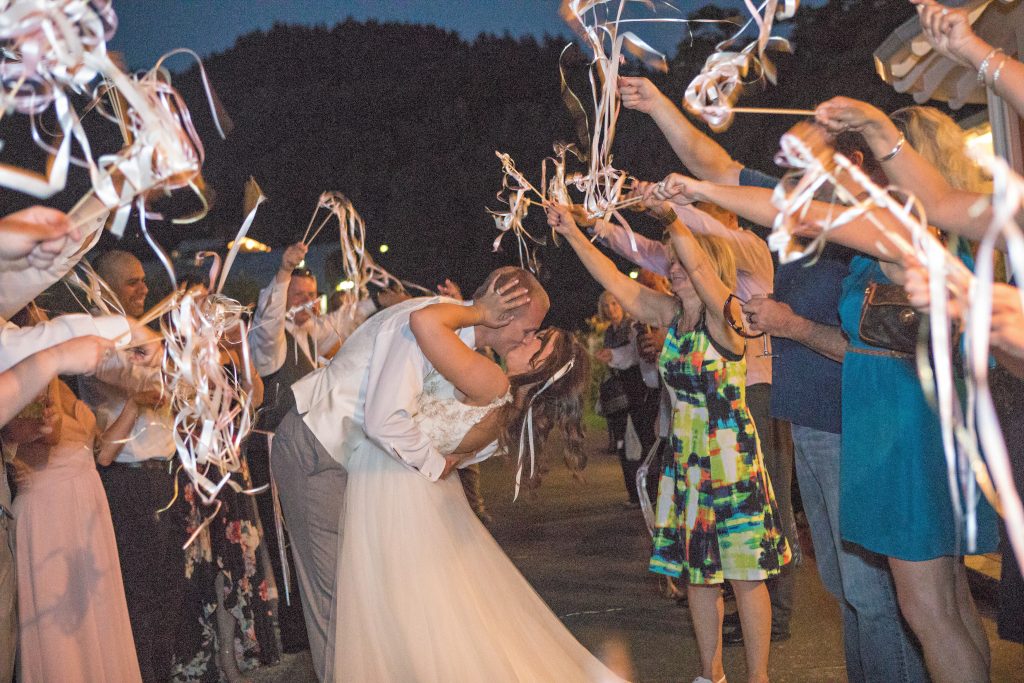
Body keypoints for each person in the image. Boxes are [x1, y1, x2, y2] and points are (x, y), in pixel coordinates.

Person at [619, 74, 927, 682]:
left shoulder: (874, 231)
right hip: (810, 421)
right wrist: (657, 105)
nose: (790, 160)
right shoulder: (793, 207)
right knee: (846, 591)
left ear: (856, 159)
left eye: (810, 150)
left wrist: (791, 326)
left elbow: (891, 352)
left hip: (860, 425)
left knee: (878, 596)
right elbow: (718, 163)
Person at [326, 282, 622, 682]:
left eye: (539, 341)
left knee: (398, 610)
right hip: (410, 486)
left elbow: (424, 322)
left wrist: (473, 310)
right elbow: (453, 444)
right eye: (534, 331)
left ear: (541, 371)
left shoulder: (494, 384)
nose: (530, 335)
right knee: (417, 613)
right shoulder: (505, 412)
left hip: (397, 487)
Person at [549, 203, 789, 683]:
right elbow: (618, 283)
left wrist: (672, 221)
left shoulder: (728, 317)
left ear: (710, 268)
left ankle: (758, 677)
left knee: (745, 575)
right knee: (699, 576)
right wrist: (573, 233)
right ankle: (711, 674)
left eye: (684, 261)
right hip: (688, 463)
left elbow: (698, 266)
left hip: (731, 461)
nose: (674, 268)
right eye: (673, 262)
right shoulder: (670, 315)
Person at [271, 265, 549, 679]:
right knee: (337, 606)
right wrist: (438, 467)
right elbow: (384, 419)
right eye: (529, 328)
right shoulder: (426, 322)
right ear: (503, 311)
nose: (528, 338)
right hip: (319, 449)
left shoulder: (459, 341)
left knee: (366, 601)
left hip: (356, 465)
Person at [246, 241, 371, 653]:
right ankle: (297, 630)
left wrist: (371, 285)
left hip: (316, 455)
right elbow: (267, 324)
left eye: (310, 296)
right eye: (297, 297)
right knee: (283, 542)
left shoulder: (308, 334)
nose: (307, 304)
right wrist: (282, 273)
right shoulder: (272, 342)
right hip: (276, 454)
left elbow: (350, 319)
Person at [3, 319, 142, 682]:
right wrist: (40, 423)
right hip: (50, 514)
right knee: (62, 632)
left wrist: (136, 401)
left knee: (97, 622)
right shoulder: (22, 378)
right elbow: (37, 436)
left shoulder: (58, 382)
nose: (44, 319)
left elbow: (103, 453)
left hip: (86, 507)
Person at [80, 249, 187, 683]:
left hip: (164, 477)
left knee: (169, 592)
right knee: (140, 597)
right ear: (106, 288)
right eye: (132, 282)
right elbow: (142, 388)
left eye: (144, 280)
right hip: (126, 481)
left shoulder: (145, 336)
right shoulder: (99, 344)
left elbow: (173, 395)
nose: (144, 288)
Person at [595, 291, 658, 507]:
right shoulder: (609, 333)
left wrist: (612, 357)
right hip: (620, 393)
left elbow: (633, 355)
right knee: (623, 445)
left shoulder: (632, 327)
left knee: (646, 440)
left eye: (614, 303)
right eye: (606, 305)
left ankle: (651, 492)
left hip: (639, 390)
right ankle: (634, 493)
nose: (611, 309)